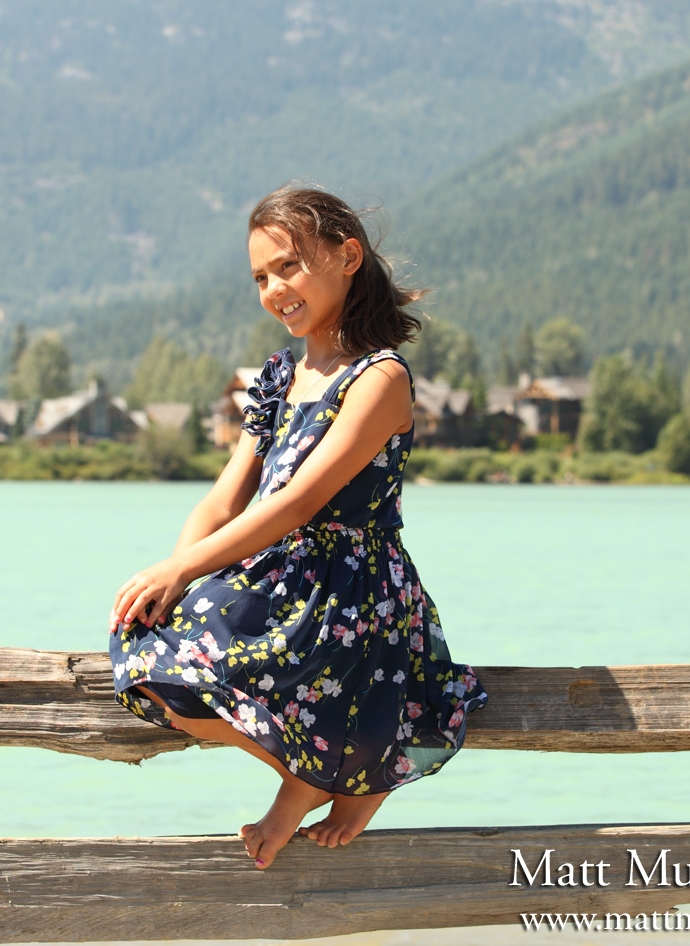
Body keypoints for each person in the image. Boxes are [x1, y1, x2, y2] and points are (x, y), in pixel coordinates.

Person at [108, 185, 487, 869]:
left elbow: (298, 505)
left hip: (353, 597)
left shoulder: (380, 378)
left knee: (172, 654)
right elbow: (224, 501)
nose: (274, 288)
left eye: (288, 266)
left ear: (347, 257)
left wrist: (186, 572)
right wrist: (175, 580)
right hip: (277, 582)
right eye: (260, 276)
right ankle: (332, 773)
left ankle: (320, 780)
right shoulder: (281, 376)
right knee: (145, 651)